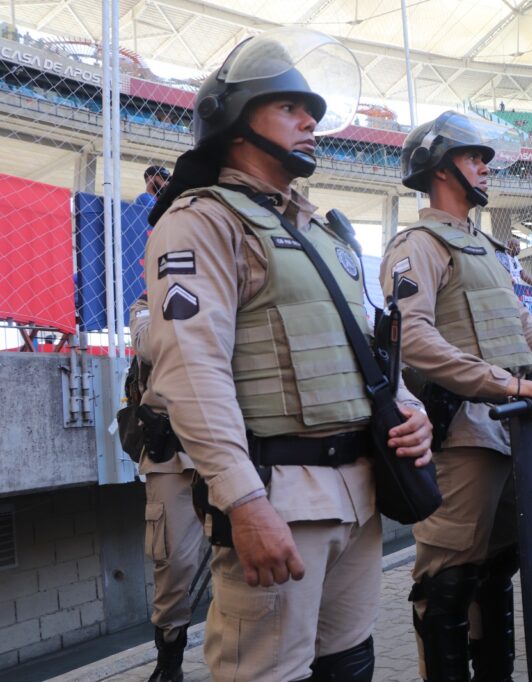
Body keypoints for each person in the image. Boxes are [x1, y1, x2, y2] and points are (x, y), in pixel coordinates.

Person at [141, 29, 433, 682]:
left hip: (358, 494)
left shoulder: (323, 233)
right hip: (279, 499)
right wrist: (244, 502)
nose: (310, 122)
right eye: (290, 107)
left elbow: (368, 346)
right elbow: (191, 369)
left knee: (350, 663)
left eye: (314, 112)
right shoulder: (201, 221)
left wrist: (408, 407)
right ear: (234, 120)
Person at [381, 110, 532, 680]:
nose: (485, 168)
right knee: (447, 580)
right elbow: (413, 339)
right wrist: (507, 383)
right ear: (440, 169)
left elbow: (524, 327)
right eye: (473, 157)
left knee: (497, 566)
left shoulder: (483, 248)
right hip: (464, 432)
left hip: (511, 427)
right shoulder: (417, 245)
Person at [129, 294, 206, 682]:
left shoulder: (230, 286)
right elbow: (147, 344)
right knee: (174, 564)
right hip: (172, 455)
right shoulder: (147, 302)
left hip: (228, 444)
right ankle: (170, 659)